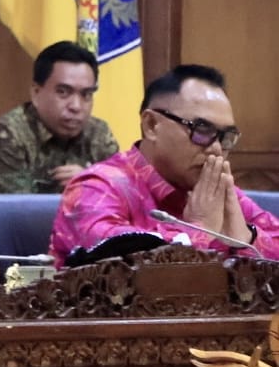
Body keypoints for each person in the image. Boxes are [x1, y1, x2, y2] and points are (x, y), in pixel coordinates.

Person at [50, 64, 279, 266]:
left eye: (225, 136)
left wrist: (246, 239)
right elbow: (117, 264)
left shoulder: (212, 189)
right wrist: (199, 228)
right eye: (201, 129)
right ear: (151, 125)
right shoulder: (95, 187)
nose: (217, 149)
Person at [0, 40, 119, 193]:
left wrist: (91, 181)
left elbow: (125, 195)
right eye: (63, 92)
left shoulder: (99, 134)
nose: (76, 106)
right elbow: (19, 206)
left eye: (86, 94)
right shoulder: (9, 136)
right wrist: (86, 190)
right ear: (36, 93)